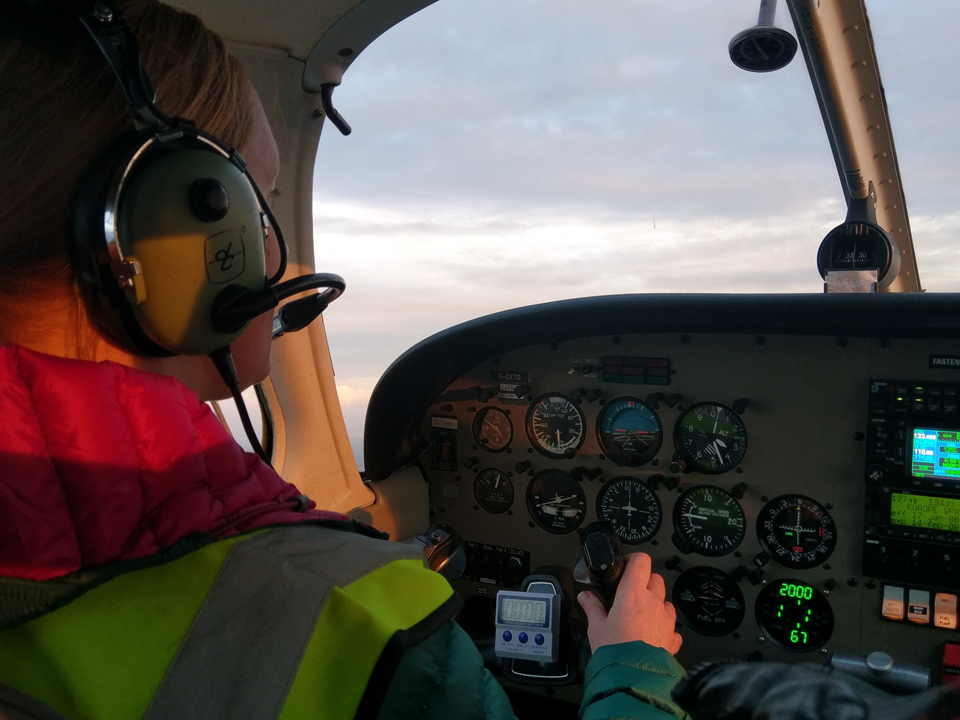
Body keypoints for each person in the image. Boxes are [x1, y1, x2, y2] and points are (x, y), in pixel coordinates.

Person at [0, 2, 685, 719]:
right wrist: (632, 665)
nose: (272, 250)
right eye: (260, 205)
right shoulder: (364, 628)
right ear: (193, 240)